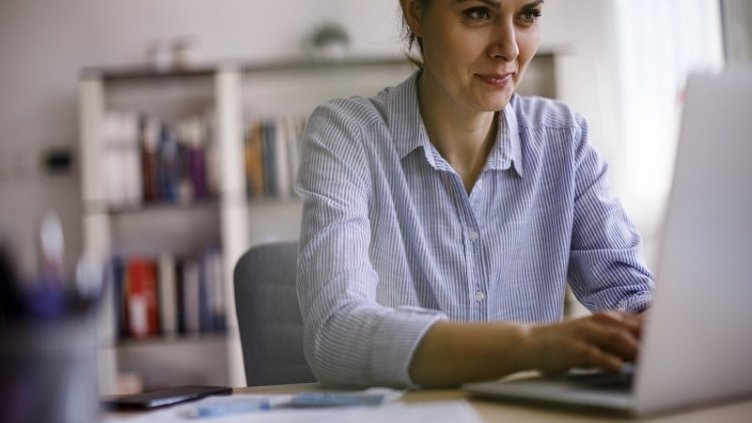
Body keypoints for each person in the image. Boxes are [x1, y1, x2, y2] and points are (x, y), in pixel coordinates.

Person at [295, 0, 654, 389]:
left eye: (527, 15)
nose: (510, 48)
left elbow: (635, 299)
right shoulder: (348, 135)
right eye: (479, 13)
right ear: (415, 12)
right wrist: (532, 346)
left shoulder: (564, 140)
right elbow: (335, 335)